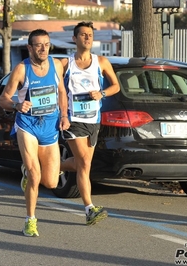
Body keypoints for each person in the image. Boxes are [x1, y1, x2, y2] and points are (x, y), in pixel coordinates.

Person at [0, 29, 70, 237]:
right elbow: (4, 99)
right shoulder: (22, 69)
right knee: (35, 173)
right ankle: (30, 220)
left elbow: (62, 92)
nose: (43, 49)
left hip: (50, 126)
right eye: (38, 45)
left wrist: (64, 116)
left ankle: (26, 172)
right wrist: (17, 105)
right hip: (27, 124)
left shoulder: (56, 65)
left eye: (46, 44)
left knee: (51, 182)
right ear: (29, 47)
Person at [59, 21, 120, 226]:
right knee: (84, 164)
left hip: (93, 120)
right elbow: (54, 84)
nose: (87, 38)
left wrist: (101, 93)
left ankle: (42, 169)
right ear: (74, 39)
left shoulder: (101, 62)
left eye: (90, 35)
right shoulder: (66, 64)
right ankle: (89, 209)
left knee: (80, 164)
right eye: (83, 35)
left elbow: (116, 87)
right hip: (74, 120)